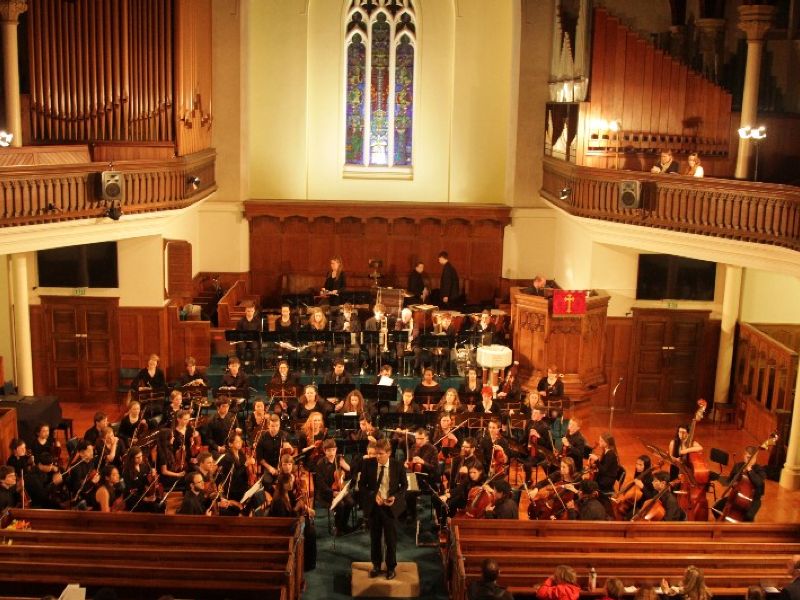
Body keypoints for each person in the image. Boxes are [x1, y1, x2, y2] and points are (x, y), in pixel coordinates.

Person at [362, 439, 407, 580]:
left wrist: (395, 497)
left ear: (389, 453)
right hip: (374, 507)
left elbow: (404, 486)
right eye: (376, 454)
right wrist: (373, 495)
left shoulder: (398, 465)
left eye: (381, 454)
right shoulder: (368, 464)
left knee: (390, 539)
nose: (377, 457)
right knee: (375, 538)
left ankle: (391, 567)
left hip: (390, 508)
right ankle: (376, 565)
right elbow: (361, 485)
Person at [714, 445, 766, 522]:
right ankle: (721, 524)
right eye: (748, 457)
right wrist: (732, 483)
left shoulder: (759, 470)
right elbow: (729, 480)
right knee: (716, 508)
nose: (750, 460)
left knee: (748, 516)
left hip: (753, 499)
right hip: (737, 496)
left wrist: (749, 470)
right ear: (744, 456)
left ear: (755, 458)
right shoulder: (738, 466)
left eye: (752, 458)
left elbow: (758, 483)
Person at [315, 438, 354, 533]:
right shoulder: (320, 464)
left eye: (333, 450)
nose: (331, 453)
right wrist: (332, 493)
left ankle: (343, 525)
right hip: (327, 493)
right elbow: (321, 484)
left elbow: (350, 473)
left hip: (340, 489)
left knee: (350, 502)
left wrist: (346, 469)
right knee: (340, 505)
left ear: (336, 449)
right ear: (324, 451)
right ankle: (338, 527)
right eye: (328, 450)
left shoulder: (339, 460)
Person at [394, 307, 421, 375]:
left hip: (412, 343)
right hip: (402, 342)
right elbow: (397, 331)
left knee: (418, 351)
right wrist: (403, 321)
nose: (406, 318)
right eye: (405, 316)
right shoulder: (399, 322)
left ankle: (415, 367)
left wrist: (412, 337)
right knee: (399, 351)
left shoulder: (414, 322)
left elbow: (416, 331)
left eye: (408, 317)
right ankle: (400, 368)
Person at [235, 302, 262, 368]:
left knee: (255, 347)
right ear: (245, 311)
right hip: (243, 340)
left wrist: (253, 338)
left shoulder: (258, 321)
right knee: (241, 347)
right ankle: (242, 365)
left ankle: (255, 366)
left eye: (251, 311)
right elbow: (238, 333)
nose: (250, 313)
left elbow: (259, 333)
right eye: (248, 311)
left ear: (254, 311)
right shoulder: (241, 321)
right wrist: (244, 338)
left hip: (253, 340)